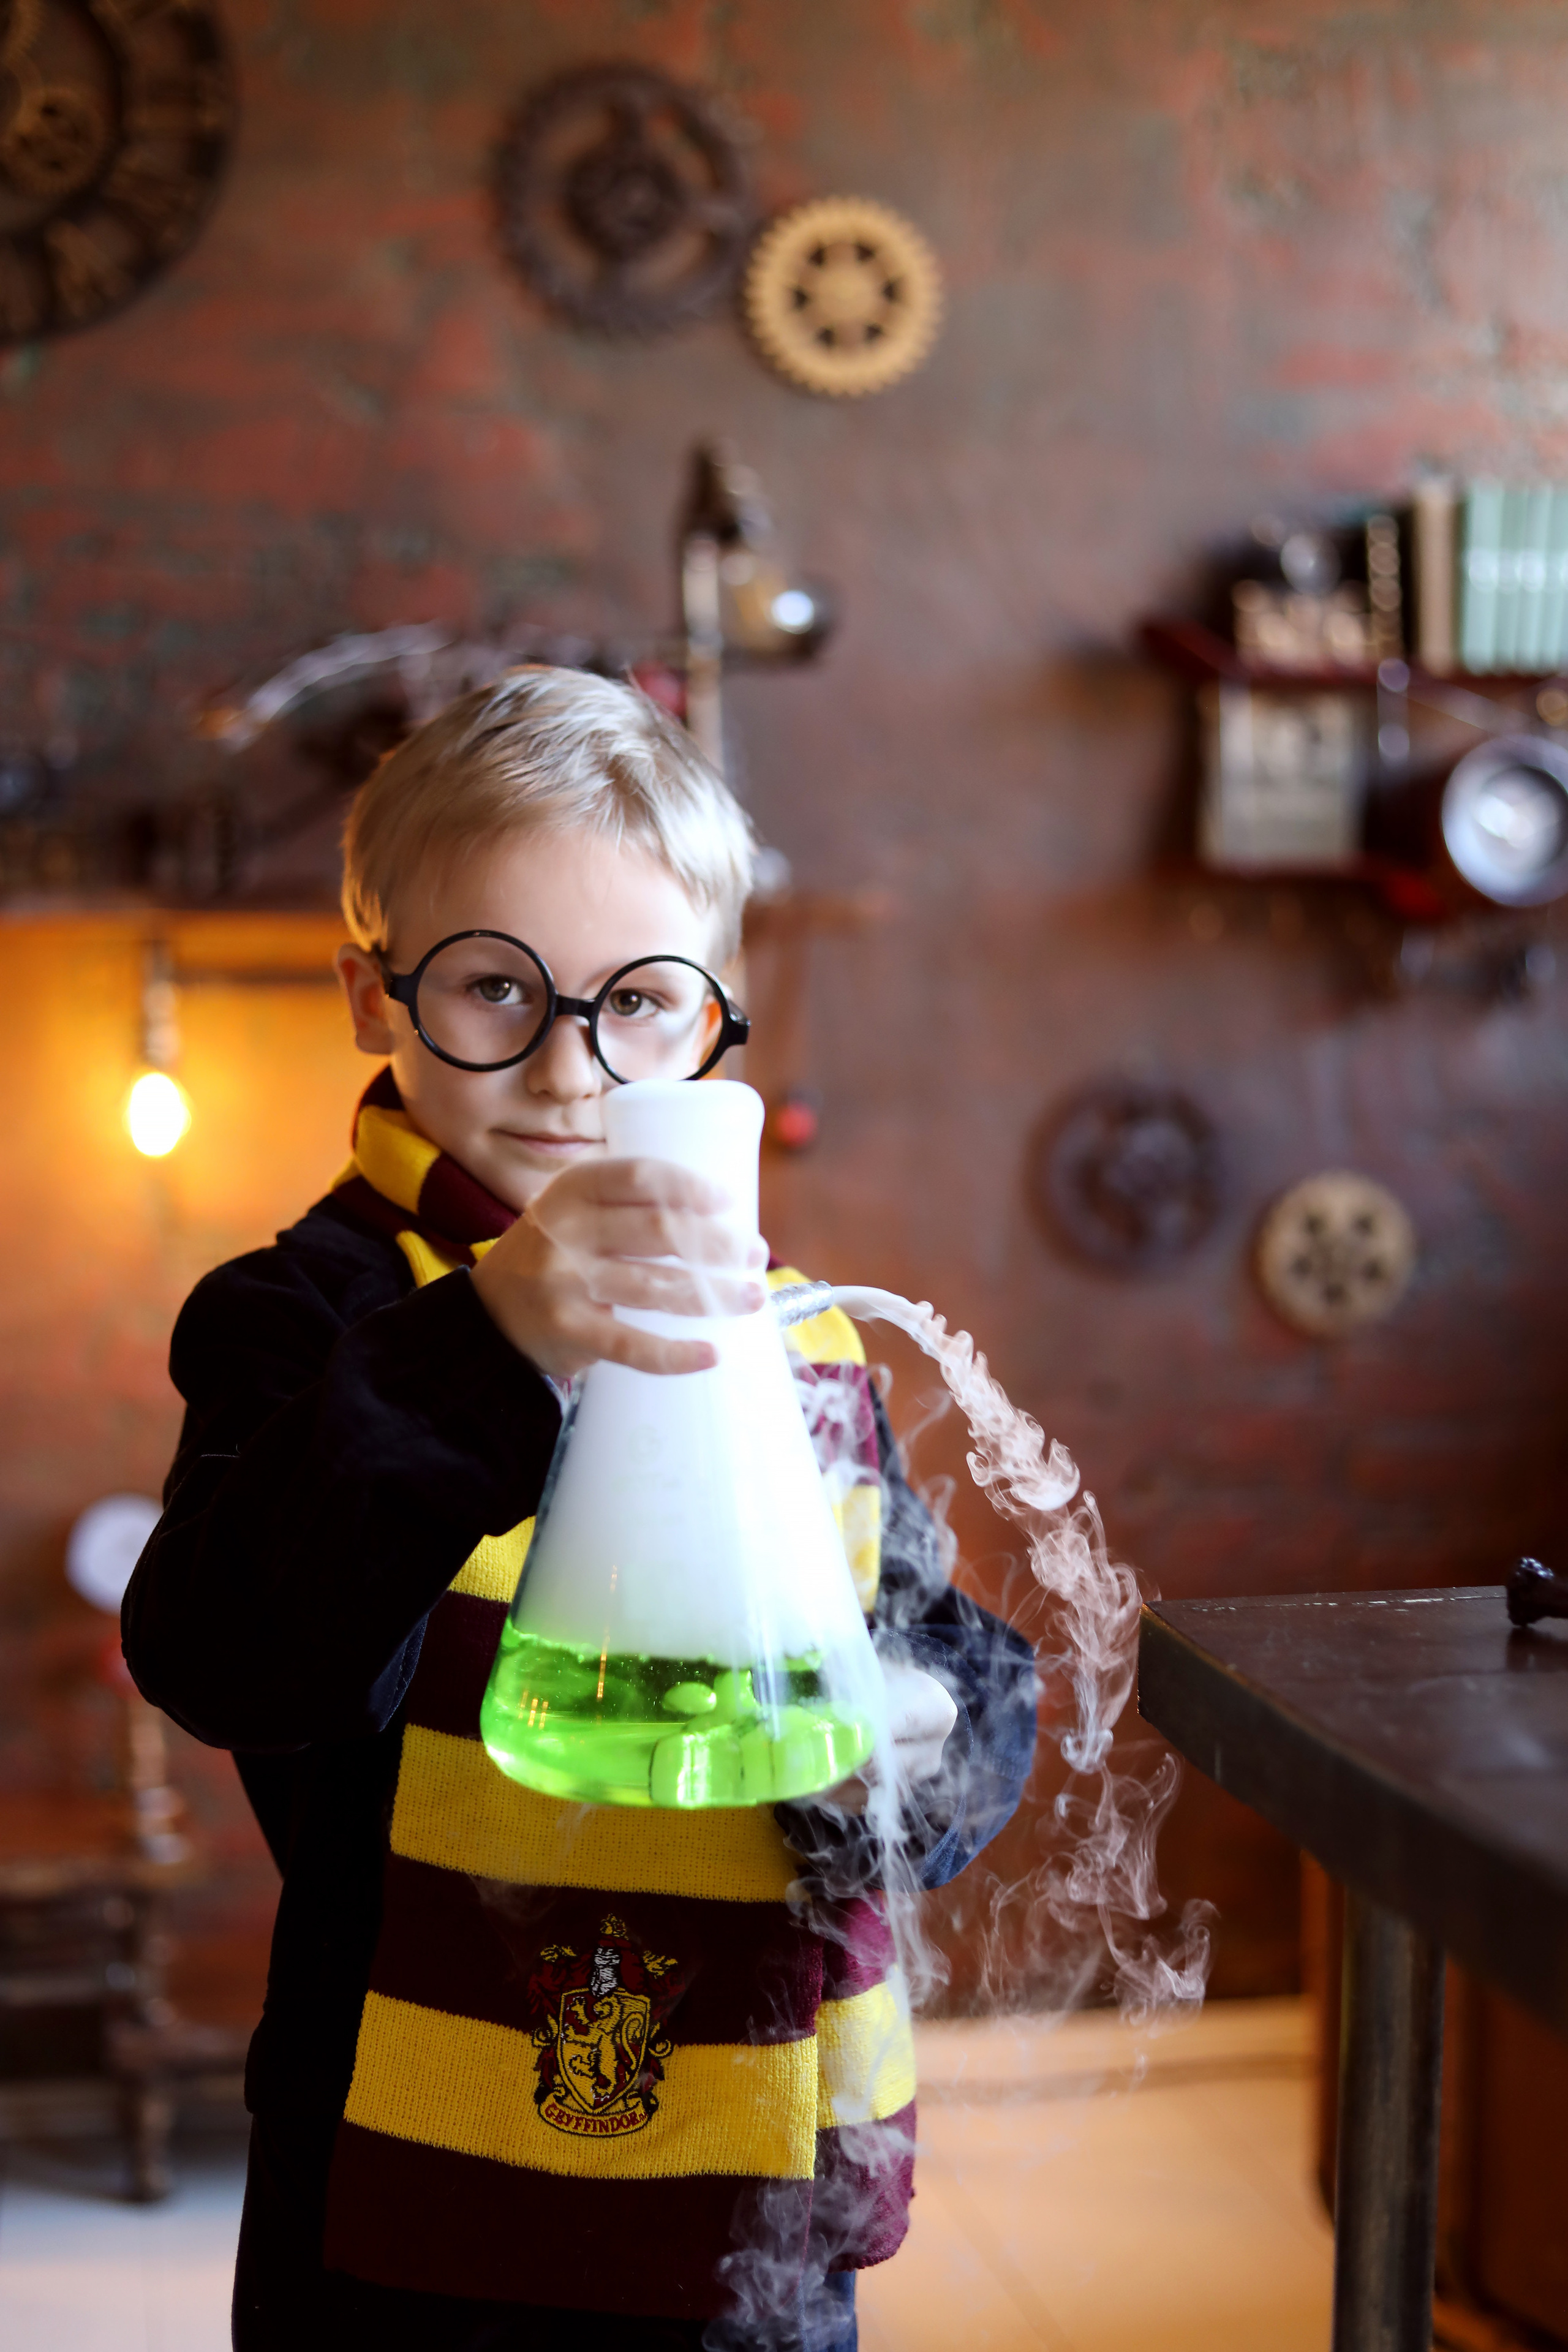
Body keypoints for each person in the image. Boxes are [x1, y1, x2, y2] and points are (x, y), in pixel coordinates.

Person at [122, 670, 1037, 2352]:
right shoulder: (310, 1317)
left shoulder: (790, 1334)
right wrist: (501, 1338)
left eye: (635, 1003)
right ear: (370, 995)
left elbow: (940, 1653)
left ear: (709, 1021)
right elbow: (229, 1654)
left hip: (754, 2162)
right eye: (494, 990)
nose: (567, 1069)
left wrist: (915, 1734)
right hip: (410, 2199)